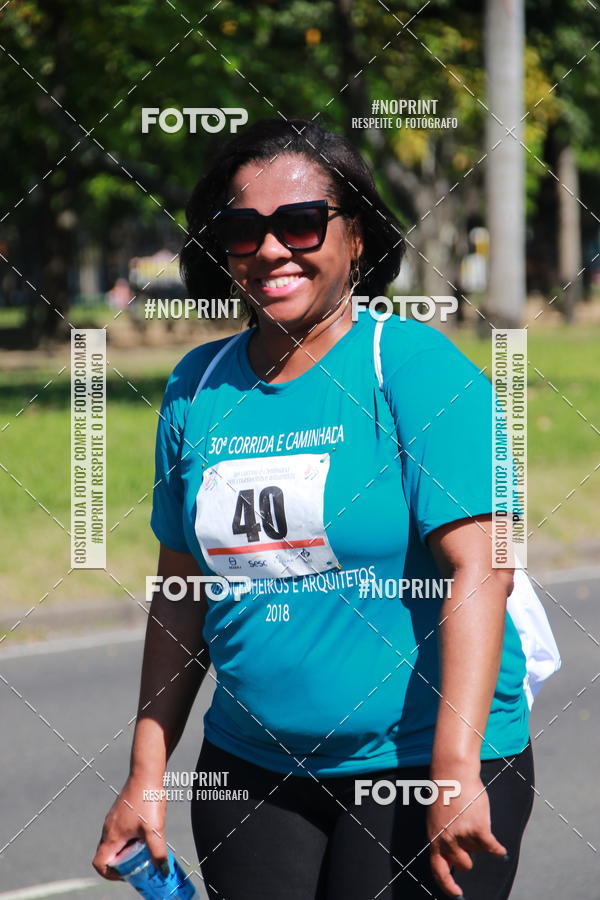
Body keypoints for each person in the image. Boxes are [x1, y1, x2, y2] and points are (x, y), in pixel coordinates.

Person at [93, 118, 534, 900]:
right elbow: (180, 592)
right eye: (242, 229)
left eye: (301, 223)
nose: (270, 249)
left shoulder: (413, 366)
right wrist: (145, 774)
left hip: (417, 762)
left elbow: (482, 568)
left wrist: (456, 768)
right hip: (252, 770)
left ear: (356, 237)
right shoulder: (198, 386)